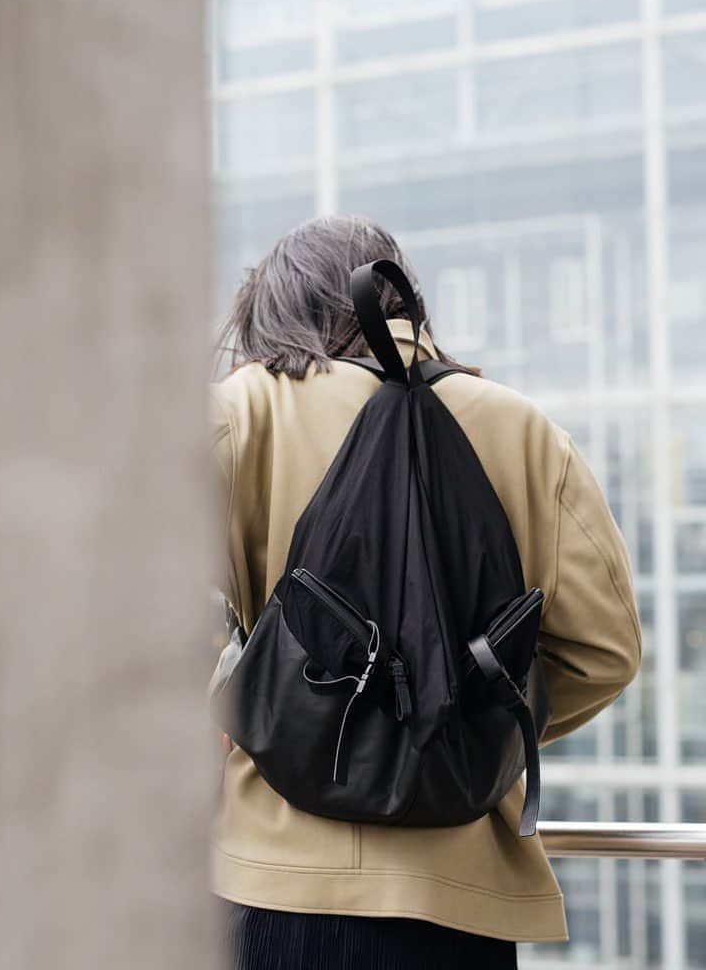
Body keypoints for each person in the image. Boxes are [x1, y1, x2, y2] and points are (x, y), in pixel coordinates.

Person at [208, 215, 642, 969]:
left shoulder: (239, 414)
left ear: (273, 312)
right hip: (464, 901)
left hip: (276, 886)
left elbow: (119, 605)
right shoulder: (525, 430)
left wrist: (238, 703)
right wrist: (458, 723)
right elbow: (605, 651)